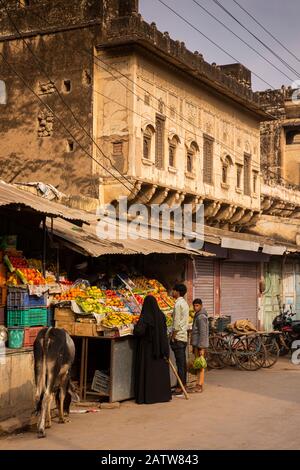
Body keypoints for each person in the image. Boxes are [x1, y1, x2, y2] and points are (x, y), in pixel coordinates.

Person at [133, 295, 172, 404]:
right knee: (159, 373)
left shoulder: (145, 317)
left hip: (147, 351)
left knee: (148, 373)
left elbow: (139, 332)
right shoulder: (161, 316)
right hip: (159, 350)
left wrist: (135, 327)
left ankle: (148, 397)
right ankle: (162, 396)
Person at [170, 283, 189, 396]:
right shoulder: (185, 304)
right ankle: (182, 385)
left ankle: (180, 387)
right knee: (182, 363)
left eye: (173, 290)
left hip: (178, 337)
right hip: (184, 336)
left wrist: (173, 337)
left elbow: (176, 324)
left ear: (177, 292)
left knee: (180, 363)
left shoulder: (178, 305)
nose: (172, 292)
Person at [190, 298, 209, 393]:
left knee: (201, 365)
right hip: (197, 344)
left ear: (201, 305)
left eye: (197, 305)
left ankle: (200, 385)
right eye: (194, 305)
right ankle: (198, 383)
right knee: (198, 364)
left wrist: (201, 347)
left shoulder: (201, 316)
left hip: (200, 344)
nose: (195, 307)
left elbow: (203, 333)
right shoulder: (197, 315)